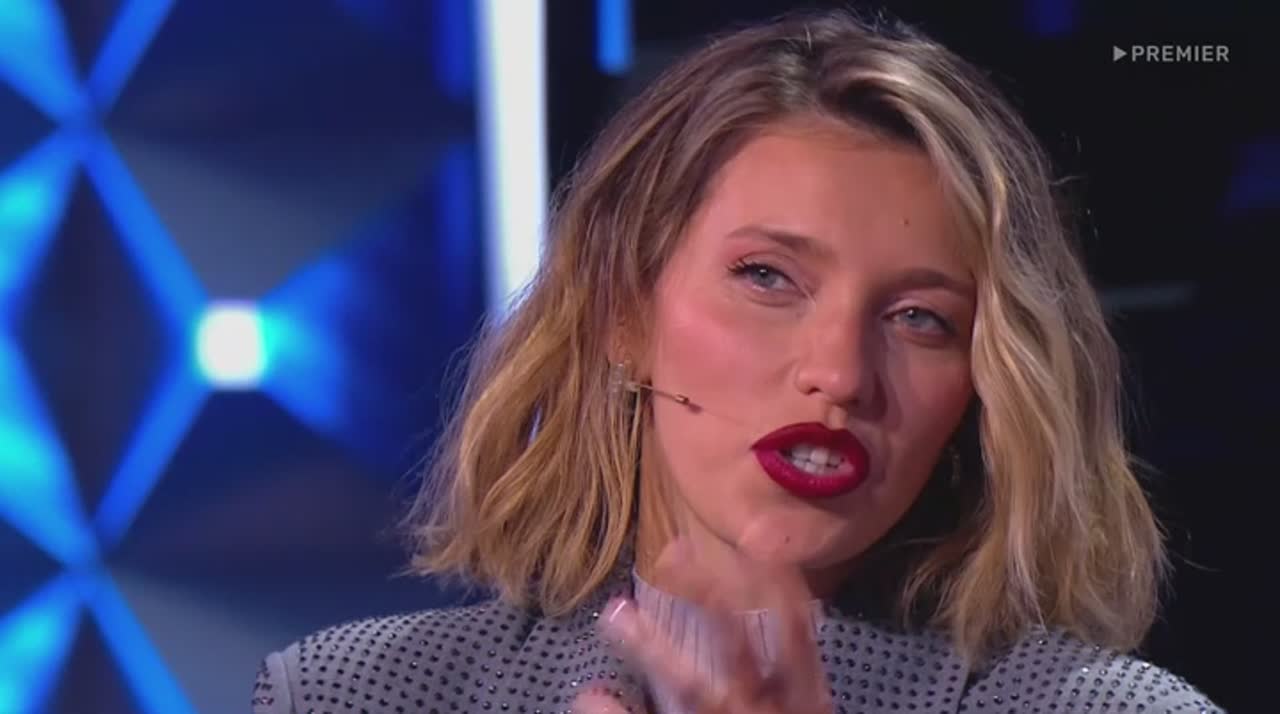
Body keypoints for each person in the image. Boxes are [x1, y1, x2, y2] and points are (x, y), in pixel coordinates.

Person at [252, 8, 1222, 714]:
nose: (839, 374)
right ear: (621, 311)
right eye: (766, 277)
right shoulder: (353, 694)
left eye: (920, 319)